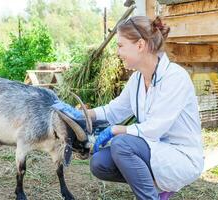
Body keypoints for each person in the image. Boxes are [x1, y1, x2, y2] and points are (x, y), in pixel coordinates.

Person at [53, 16, 204, 200]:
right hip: (155, 151)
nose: (118, 52)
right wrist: (80, 114)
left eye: (120, 45)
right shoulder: (138, 79)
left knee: (122, 144)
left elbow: (155, 128)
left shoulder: (175, 78)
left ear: (140, 45)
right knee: (99, 163)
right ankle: (158, 187)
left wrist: (116, 130)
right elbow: (113, 111)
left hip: (180, 157)